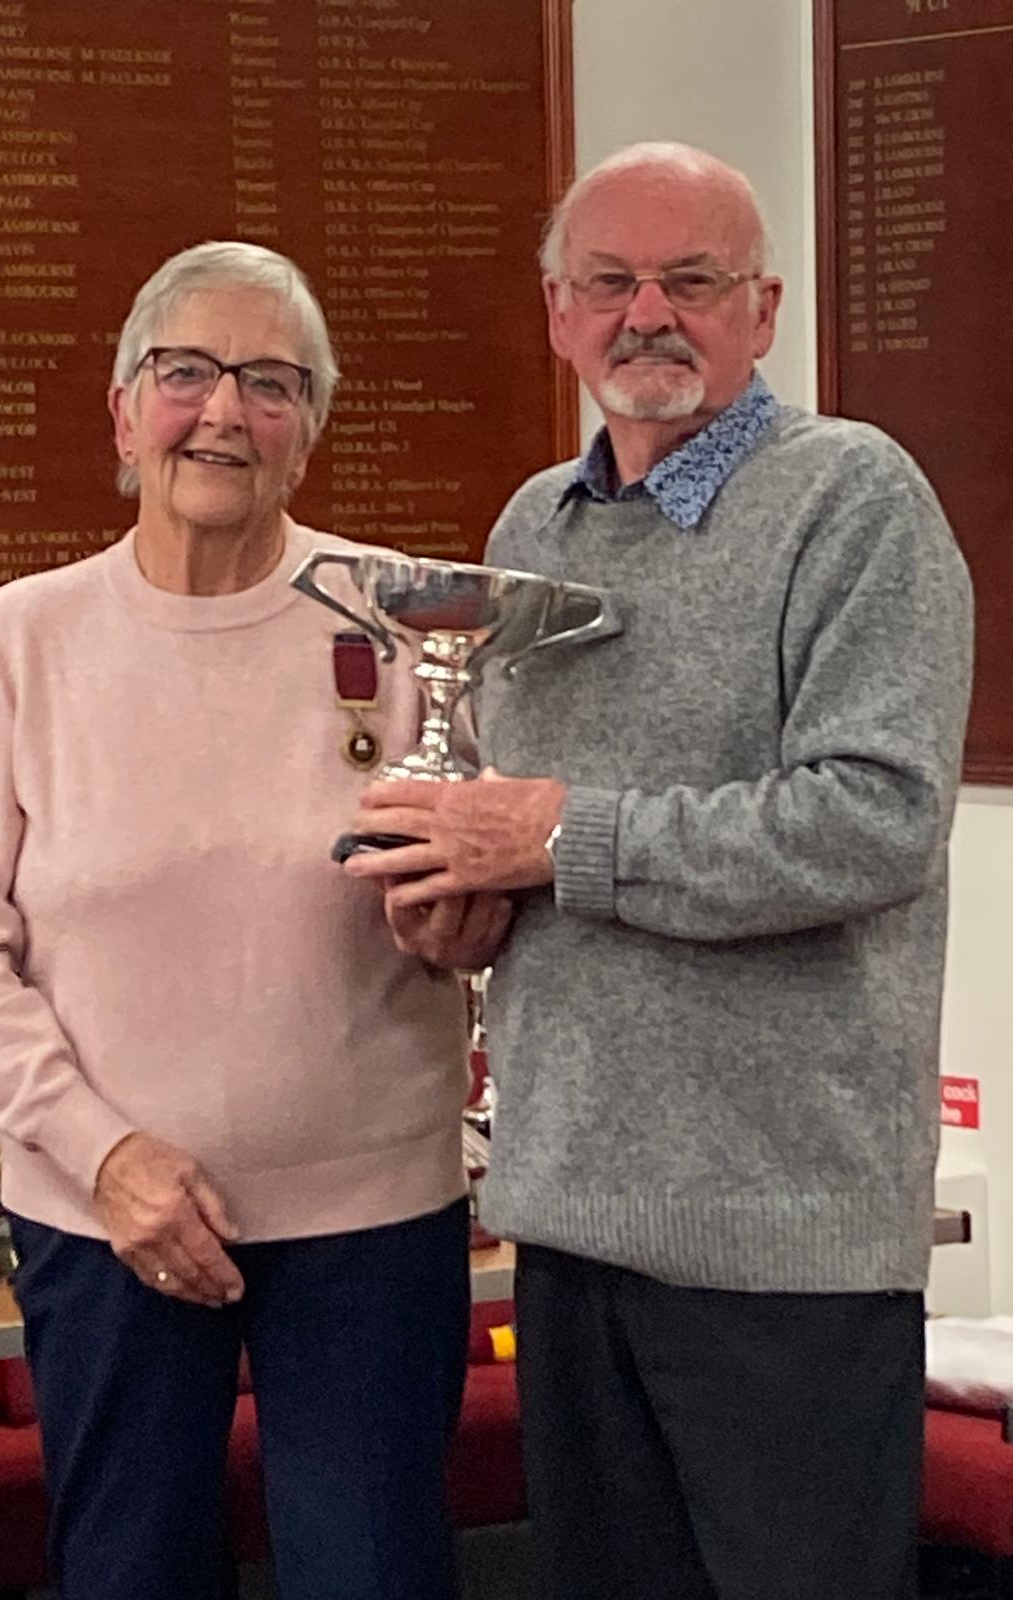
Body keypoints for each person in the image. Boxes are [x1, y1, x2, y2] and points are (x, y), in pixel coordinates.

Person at [343, 143, 974, 1600]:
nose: (650, 315)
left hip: (782, 1253)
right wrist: (465, 908)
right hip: (567, 1227)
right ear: (558, 312)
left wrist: (563, 836)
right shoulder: (527, 531)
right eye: (611, 283)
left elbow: (873, 820)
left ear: (762, 308)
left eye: (691, 282)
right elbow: (521, 845)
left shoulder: (854, 500)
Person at [0, 240, 496, 1600]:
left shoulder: (410, 623)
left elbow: (474, 893)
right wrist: (104, 1153)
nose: (224, 410)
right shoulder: (23, 640)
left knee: (376, 1577)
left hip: (371, 1222)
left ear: (310, 430)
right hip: (106, 1222)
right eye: (187, 372)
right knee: (129, 1576)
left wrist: (462, 926)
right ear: (124, 411)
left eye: (270, 383)